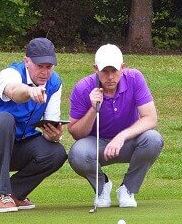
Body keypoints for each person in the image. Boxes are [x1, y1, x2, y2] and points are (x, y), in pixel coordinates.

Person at [0, 37, 68, 213]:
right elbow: (13, 92)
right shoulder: (9, 74)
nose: (44, 72)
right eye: (39, 66)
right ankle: (0, 194)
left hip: (14, 144)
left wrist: (53, 134)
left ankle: (14, 193)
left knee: (55, 152)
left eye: (48, 67)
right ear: (26, 61)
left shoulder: (55, 83)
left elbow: (51, 121)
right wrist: (29, 91)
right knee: (5, 119)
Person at [67, 44, 163, 208]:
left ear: (123, 68)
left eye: (114, 71)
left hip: (128, 142)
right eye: (105, 71)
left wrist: (121, 136)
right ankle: (102, 187)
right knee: (77, 153)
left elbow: (151, 119)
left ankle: (127, 188)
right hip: (97, 144)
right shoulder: (83, 87)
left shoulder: (135, 78)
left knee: (153, 139)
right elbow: (76, 133)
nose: (110, 77)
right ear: (96, 69)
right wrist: (93, 108)